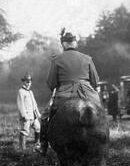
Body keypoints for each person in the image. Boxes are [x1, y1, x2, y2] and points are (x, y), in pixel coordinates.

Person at [39, 28, 101, 156]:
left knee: (45, 116)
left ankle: (43, 145)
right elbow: (95, 81)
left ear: (64, 44)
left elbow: (51, 83)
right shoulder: (87, 58)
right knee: (100, 113)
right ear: (75, 43)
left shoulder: (57, 60)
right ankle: (103, 140)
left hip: (65, 94)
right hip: (88, 93)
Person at [16, 73, 41, 152]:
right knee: (25, 131)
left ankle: (36, 146)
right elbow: (20, 105)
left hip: (33, 116)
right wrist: (24, 115)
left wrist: (38, 113)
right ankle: (22, 149)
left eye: (30, 82)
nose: (28, 83)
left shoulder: (30, 92)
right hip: (26, 116)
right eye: (26, 82)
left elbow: (34, 104)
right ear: (23, 82)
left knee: (38, 128)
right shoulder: (21, 91)